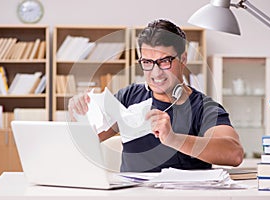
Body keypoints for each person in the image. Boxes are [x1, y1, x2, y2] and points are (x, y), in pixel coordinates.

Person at [68, 19, 244, 172]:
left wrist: (173, 139)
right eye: (147, 62)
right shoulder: (129, 96)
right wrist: (77, 114)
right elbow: (88, 139)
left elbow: (234, 153)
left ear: (183, 59)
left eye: (164, 62)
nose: (155, 73)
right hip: (133, 195)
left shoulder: (203, 107)